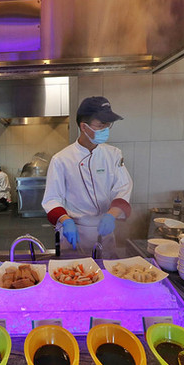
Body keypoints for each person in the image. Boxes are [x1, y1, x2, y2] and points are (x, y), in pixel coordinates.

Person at [42, 96, 133, 256]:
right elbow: (51, 199)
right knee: (73, 270)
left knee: (105, 269)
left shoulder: (113, 154)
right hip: (74, 232)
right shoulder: (61, 159)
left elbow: (123, 188)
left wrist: (111, 215)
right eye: (101, 125)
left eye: (108, 125)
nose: (106, 129)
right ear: (84, 127)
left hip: (105, 231)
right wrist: (66, 220)